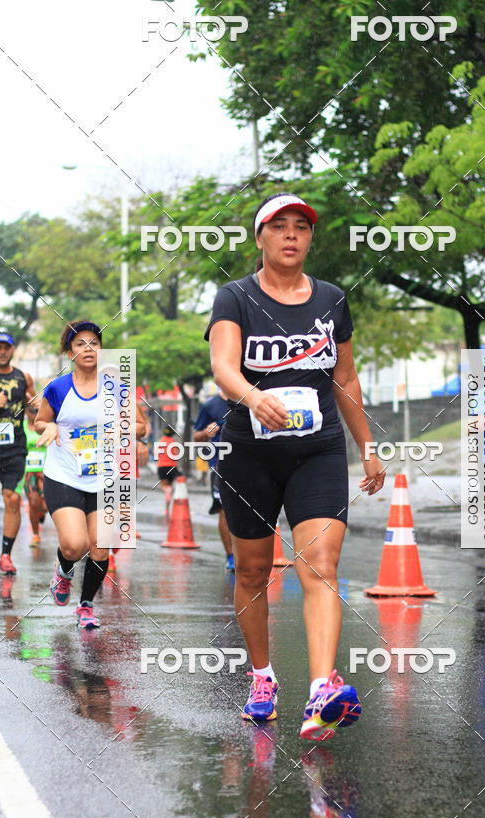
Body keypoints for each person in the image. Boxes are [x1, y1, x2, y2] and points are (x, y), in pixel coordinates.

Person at [205, 192, 385, 741]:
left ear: (309, 238)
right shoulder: (233, 297)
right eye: (278, 226)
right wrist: (253, 398)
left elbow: (345, 379)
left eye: (300, 227)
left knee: (321, 565)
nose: (290, 235)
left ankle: (320, 690)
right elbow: (222, 367)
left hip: (318, 448)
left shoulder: (331, 299)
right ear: (259, 238)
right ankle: (262, 678)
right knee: (254, 570)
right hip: (249, 453)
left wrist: (367, 445)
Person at [35, 320, 146, 629]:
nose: (87, 348)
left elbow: (141, 426)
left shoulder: (117, 387)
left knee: (100, 546)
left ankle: (85, 607)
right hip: (65, 474)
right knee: (75, 544)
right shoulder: (58, 388)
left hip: (104, 478)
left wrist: (120, 428)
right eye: (80, 343)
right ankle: (63, 570)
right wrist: (52, 426)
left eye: (93, 343)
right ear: (69, 351)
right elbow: (39, 422)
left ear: (101, 349)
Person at [0, 330, 36, 574]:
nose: (2, 352)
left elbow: (34, 410)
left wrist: (35, 407)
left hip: (14, 447)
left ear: (12, 350)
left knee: (12, 498)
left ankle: (5, 555)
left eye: (6, 348)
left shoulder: (24, 377)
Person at [193, 388, 234, 570]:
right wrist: (205, 433)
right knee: (224, 510)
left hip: (251, 463)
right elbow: (196, 436)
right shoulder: (210, 405)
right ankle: (231, 556)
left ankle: (250, 556)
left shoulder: (249, 398)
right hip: (220, 465)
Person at [16, 411, 48, 546]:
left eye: (36, 411)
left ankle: (41, 513)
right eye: (31, 411)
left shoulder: (46, 425)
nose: (34, 414)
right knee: (34, 502)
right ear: (26, 412)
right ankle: (35, 535)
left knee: (46, 506)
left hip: (46, 471)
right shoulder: (21, 426)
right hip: (28, 472)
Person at [155, 424, 180, 512]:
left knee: (165, 487)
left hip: (162, 467)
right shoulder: (174, 442)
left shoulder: (160, 441)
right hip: (172, 467)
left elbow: (156, 455)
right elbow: (176, 455)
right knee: (170, 486)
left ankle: (167, 495)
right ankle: (168, 507)